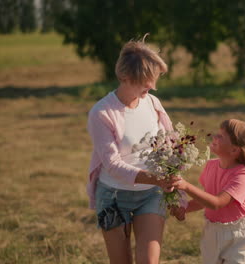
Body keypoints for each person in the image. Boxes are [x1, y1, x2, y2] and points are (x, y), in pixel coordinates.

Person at [86, 35, 176, 264]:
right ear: (124, 76)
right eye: (144, 80)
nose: (151, 86)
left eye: (153, 80)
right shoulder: (102, 113)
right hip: (113, 197)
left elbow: (171, 147)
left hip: (151, 195)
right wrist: (155, 178)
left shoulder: (153, 104)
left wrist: (177, 192)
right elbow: (112, 164)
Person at [171, 119, 245, 264]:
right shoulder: (211, 165)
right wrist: (185, 207)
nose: (215, 137)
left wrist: (186, 186)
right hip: (212, 232)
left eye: (221, 136)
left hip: (238, 235)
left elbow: (217, 203)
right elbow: (206, 200)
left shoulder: (242, 175)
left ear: (234, 150)